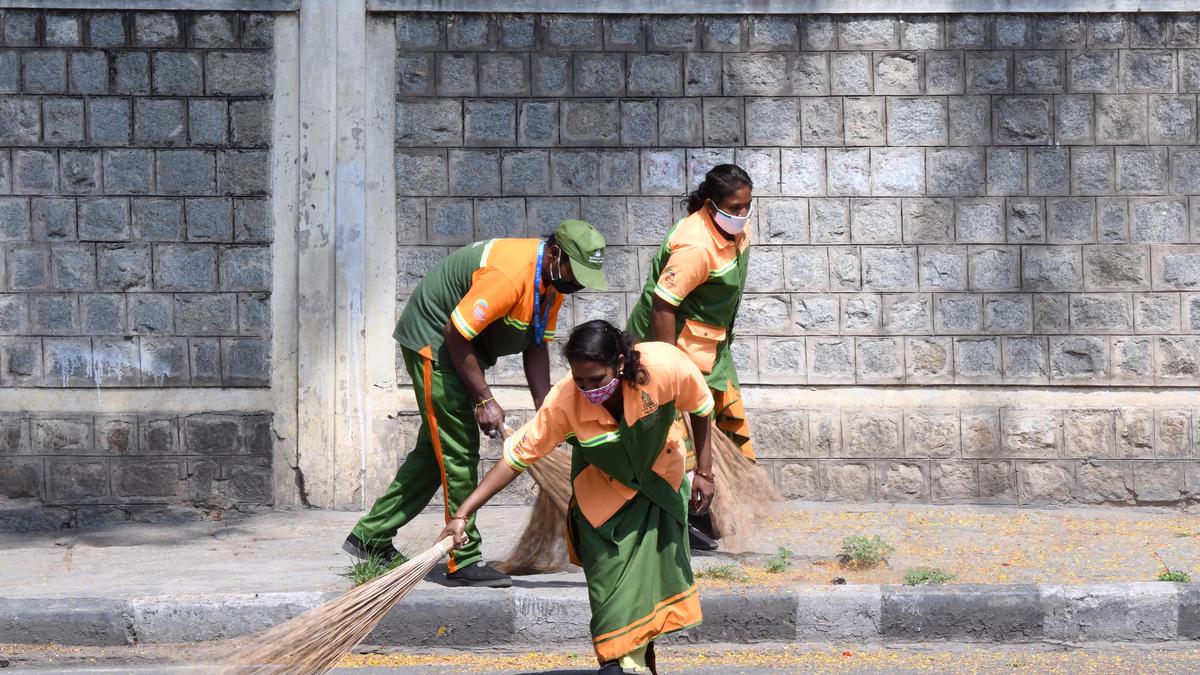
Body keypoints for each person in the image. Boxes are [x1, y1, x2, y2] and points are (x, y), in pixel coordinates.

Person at [438, 320, 715, 675]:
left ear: (619, 361)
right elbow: (515, 459)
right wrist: (464, 511)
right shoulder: (565, 400)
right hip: (603, 508)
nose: (587, 389)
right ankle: (625, 663)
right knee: (610, 598)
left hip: (660, 489)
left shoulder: (664, 366)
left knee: (650, 589)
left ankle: (629, 665)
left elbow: (702, 406)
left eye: (596, 380)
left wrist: (704, 473)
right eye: (579, 380)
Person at [344, 220, 607, 588]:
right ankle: (462, 558)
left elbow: (535, 344)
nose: (577, 284)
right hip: (435, 341)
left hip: (459, 346)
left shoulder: (552, 282)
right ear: (555, 254)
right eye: (574, 272)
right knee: (459, 451)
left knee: (433, 451)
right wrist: (484, 399)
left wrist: (548, 411)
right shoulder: (511, 274)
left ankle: (370, 536)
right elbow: (456, 333)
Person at [626, 163, 754, 551]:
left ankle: (705, 509)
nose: (743, 214)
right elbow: (664, 307)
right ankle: (681, 516)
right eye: (735, 207)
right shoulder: (694, 246)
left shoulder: (733, 230)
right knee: (675, 432)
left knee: (725, 421)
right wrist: (669, 367)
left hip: (712, 348)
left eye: (748, 205)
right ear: (712, 204)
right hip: (673, 347)